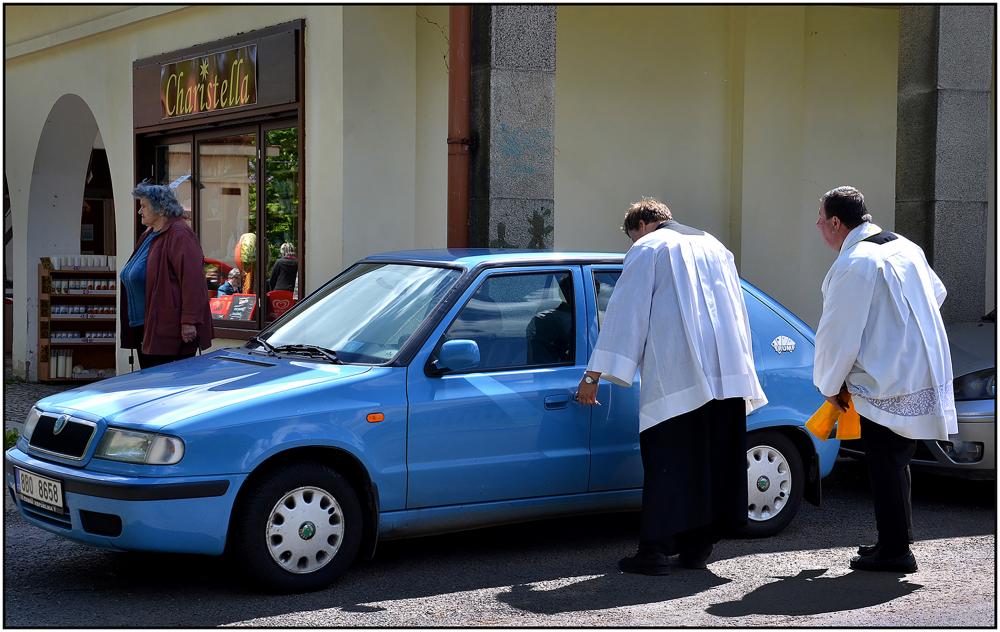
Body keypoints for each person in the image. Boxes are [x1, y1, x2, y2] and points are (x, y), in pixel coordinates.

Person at [576, 197, 767, 575]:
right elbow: (738, 310)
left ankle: (655, 551)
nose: (632, 244)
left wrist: (593, 374)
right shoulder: (716, 245)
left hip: (678, 377)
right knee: (710, 464)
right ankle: (698, 549)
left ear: (642, 225)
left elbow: (625, 313)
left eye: (632, 237)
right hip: (726, 375)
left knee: (669, 465)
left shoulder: (649, 248)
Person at [812, 185, 956, 574]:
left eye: (821, 219)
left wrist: (829, 383)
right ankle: (895, 540)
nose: (818, 225)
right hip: (919, 366)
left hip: (885, 378)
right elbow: (937, 293)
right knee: (895, 459)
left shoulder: (854, 263)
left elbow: (837, 333)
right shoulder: (905, 246)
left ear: (837, 222)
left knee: (884, 461)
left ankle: (895, 551)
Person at [119, 181, 214, 369]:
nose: (140, 211)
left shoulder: (179, 233)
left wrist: (189, 322)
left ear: (161, 209)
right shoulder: (150, 234)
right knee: (150, 384)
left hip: (168, 330)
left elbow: (192, 281)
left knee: (164, 385)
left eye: (144, 206)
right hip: (145, 327)